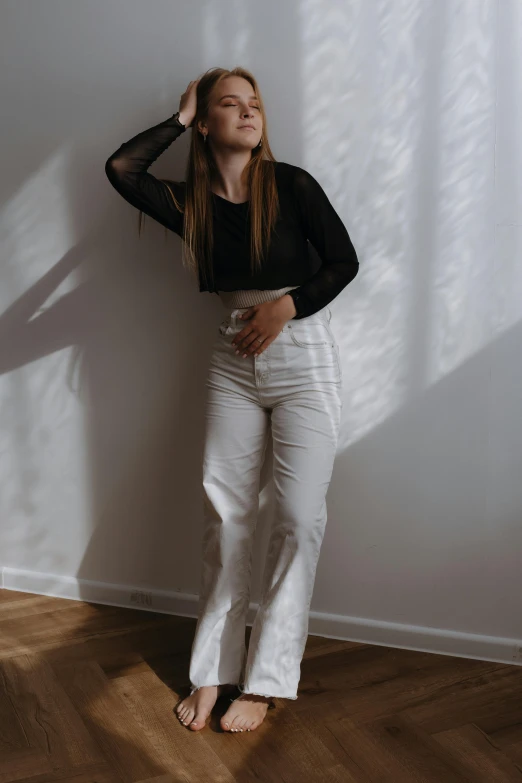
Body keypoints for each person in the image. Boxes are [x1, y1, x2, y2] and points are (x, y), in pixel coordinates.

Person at [105, 66, 359, 734]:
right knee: (228, 518)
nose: (248, 113)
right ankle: (213, 671)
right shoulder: (187, 202)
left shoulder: (292, 184)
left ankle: (269, 676)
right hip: (231, 360)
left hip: (305, 356)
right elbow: (122, 168)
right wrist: (179, 116)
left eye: (254, 104)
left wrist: (286, 307)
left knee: (299, 519)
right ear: (207, 122)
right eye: (229, 104)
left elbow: (343, 261)